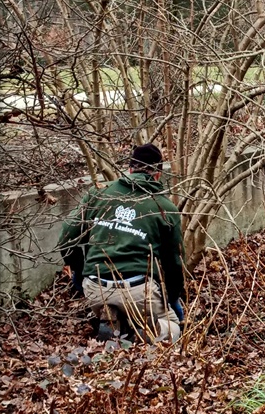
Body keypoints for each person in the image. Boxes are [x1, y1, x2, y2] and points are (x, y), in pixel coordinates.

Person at [58, 143, 185, 343]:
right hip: (139, 291)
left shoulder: (98, 193)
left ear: (129, 169)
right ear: (158, 174)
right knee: (174, 327)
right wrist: (172, 297)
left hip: (96, 287)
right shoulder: (164, 207)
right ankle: (145, 332)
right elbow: (173, 263)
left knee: (110, 299)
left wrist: (80, 270)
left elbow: (66, 237)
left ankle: (115, 321)